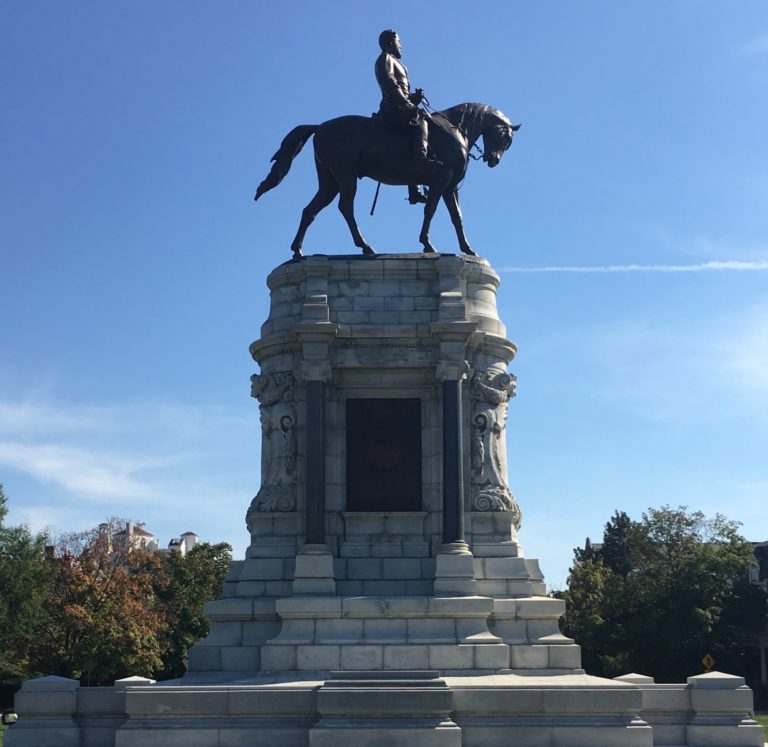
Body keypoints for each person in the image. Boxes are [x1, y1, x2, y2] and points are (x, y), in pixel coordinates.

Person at [375, 29, 433, 204]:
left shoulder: (400, 64)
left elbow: (403, 91)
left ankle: (414, 188)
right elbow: (390, 84)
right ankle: (421, 160)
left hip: (402, 105)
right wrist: (406, 103)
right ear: (391, 42)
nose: (401, 44)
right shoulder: (384, 59)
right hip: (393, 107)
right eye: (399, 41)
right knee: (423, 121)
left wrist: (414, 98)